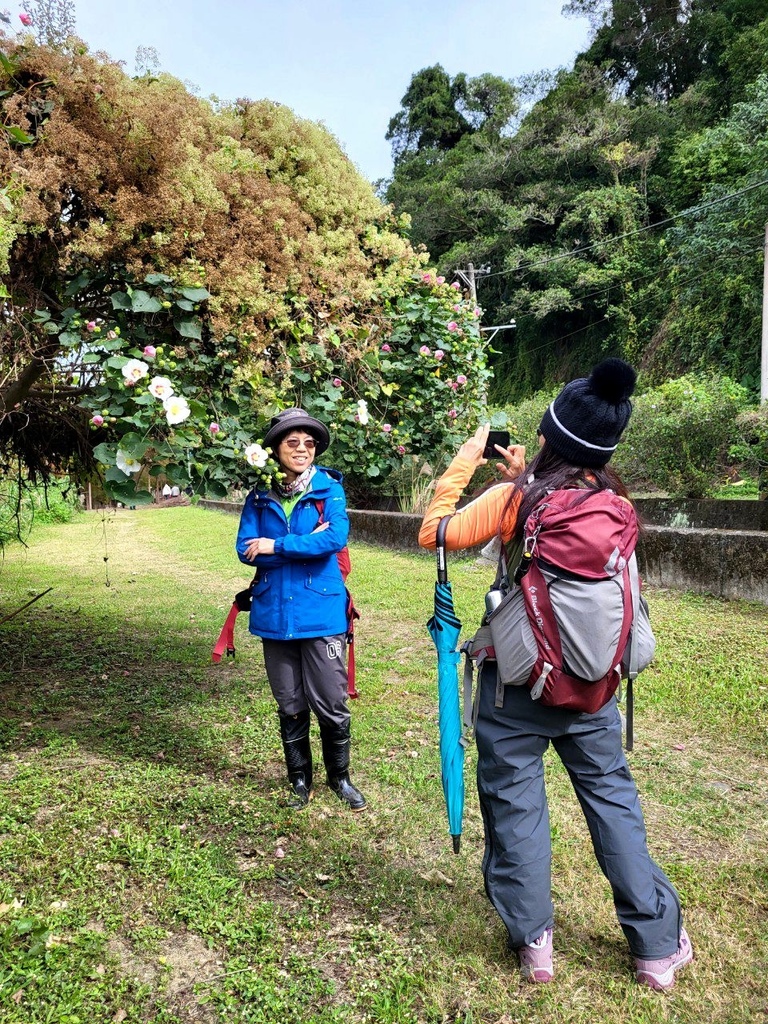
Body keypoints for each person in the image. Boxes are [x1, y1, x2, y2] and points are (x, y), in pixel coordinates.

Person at [418, 359, 692, 991]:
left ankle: (535, 943)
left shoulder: (514, 502)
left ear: (550, 435)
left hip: (516, 685)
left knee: (516, 807)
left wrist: (467, 461)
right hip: (595, 689)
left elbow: (435, 534)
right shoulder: (614, 505)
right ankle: (654, 949)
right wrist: (525, 477)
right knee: (614, 806)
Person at [236, 407, 366, 812]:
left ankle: (339, 778)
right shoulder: (259, 495)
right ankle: (299, 779)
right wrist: (304, 545)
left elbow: (335, 540)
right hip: (275, 614)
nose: (302, 449)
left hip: (321, 613)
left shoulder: (329, 491)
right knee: (289, 701)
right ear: (275, 449)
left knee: (331, 699)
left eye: (309, 443)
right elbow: (245, 549)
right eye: (293, 442)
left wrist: (275, 546)